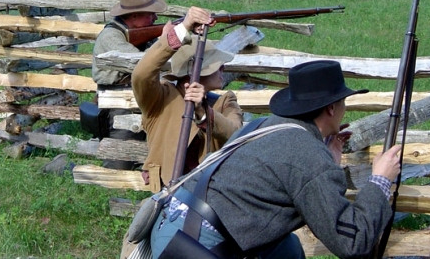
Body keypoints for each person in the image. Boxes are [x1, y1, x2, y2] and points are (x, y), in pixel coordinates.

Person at [148, 59, 402, 259]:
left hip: (173, 225)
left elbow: (292, 174)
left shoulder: (266, 125)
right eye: (343, 102)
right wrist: (380, 180)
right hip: (196, 246)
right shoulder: (308, 155)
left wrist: (327, 158)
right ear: (332, 108)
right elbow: (352, 242)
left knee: (287, 249)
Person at [131, 6, 243, 193]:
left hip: (209, 196)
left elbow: (236, 133)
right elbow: (141, 74)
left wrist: (203, 111)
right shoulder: (159, 99)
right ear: (196, 70)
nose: (222, 68)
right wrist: (183, 27)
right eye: (216, 65)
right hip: (168, 194)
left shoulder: (225, 102)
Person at [87, 0, 169, 169]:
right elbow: (140, 63)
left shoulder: (142, 34)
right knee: (118, 166)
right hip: (119, 103)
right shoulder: (111, 36)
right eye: (150, 13)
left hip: (144, 98)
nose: (155, 17)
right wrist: (167, 41)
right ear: (133, 16)